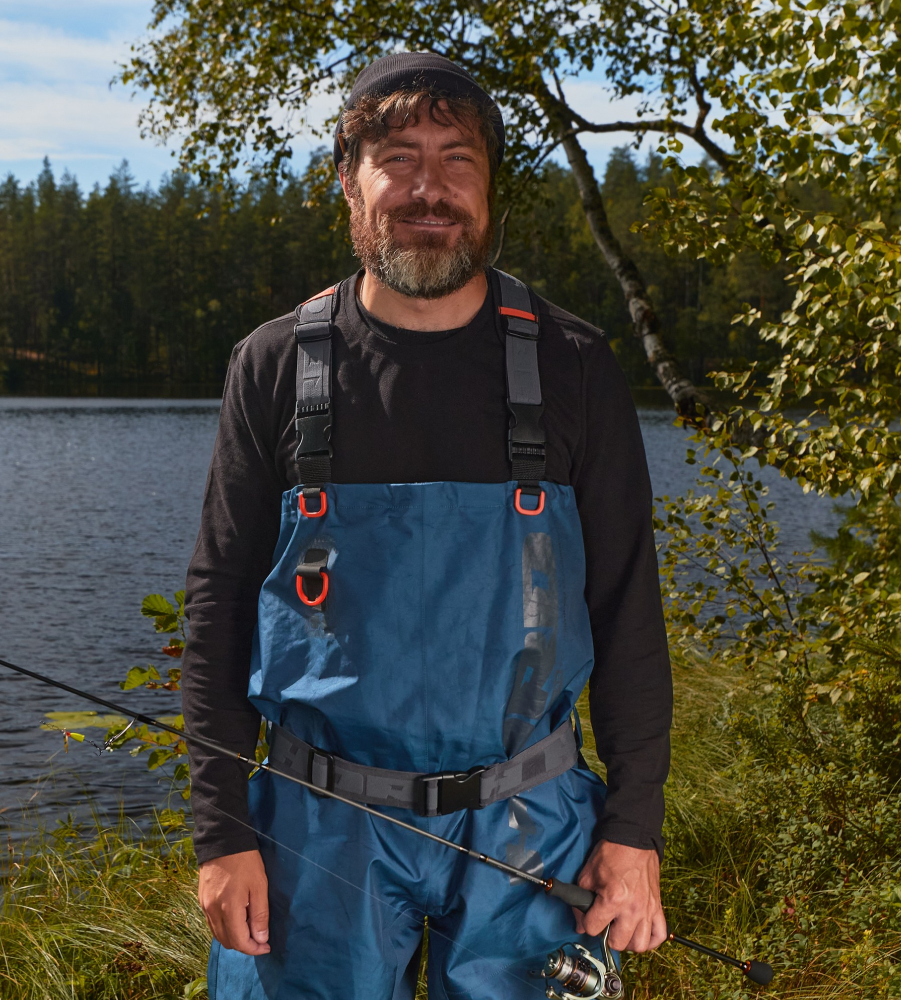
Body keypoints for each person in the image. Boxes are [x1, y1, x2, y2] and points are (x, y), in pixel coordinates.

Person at [182, 51, 672, 1000]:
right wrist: (221, 833)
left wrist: (634, 828)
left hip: (532, 830)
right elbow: (219, 609)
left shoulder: (573, 364)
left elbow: (627, 612)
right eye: (398, 158)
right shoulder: (274, 366)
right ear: (349, 181)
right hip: (315, 828)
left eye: (457, 160)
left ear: (489, 190)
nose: (428, 189)